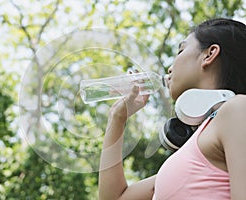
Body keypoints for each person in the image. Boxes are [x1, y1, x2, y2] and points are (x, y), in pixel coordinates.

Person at [98, 18, 246, 200]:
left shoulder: (237, 110)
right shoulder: (191, 152)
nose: (169, 68)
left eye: (181, 50)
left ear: (209, 55)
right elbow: (114, 198)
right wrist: (117, 117)